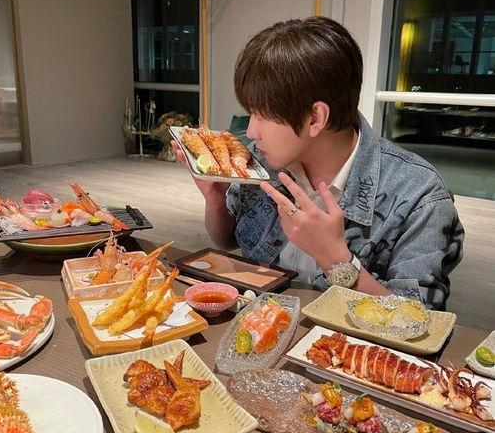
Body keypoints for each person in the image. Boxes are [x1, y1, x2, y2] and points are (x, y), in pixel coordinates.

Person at [173, 17, 464, 310]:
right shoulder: (261, 162)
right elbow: (226, 241)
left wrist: (335, 259)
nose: (250, 131)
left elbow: (420, 321)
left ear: (315, 118)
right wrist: (215, 198)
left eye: (261, 114)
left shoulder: (419, 195)